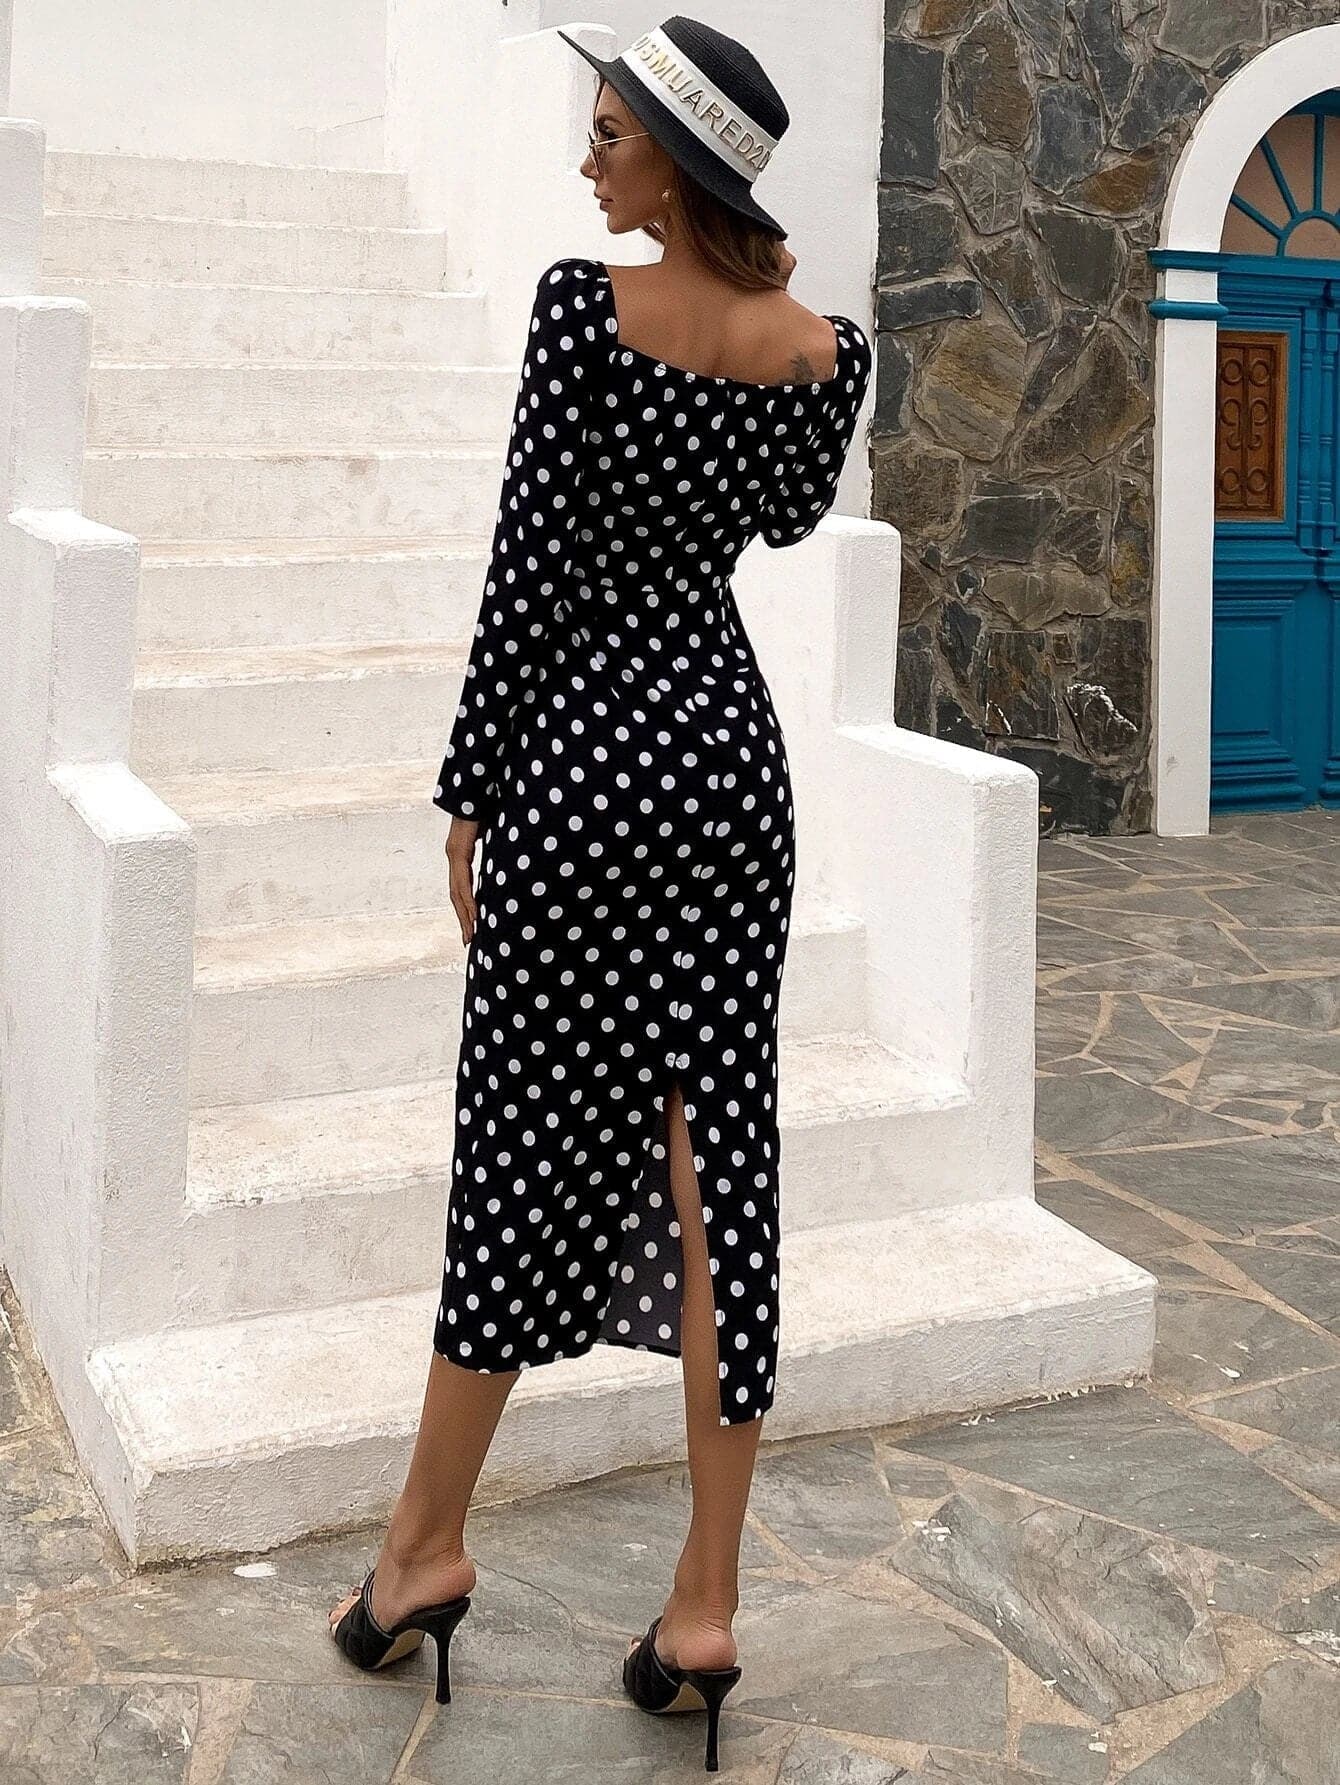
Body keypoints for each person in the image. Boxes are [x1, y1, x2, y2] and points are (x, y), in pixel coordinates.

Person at [329, 15, 872, 1771]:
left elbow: (530, 571)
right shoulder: (827, 355)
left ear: (678, 164)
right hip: (727, 769)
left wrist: (470, 788)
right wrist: (755, 321)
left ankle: (422, 1550)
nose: (588, 158)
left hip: (578, 765)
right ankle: (705, 1603)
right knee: (722, 1163)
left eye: (613, 131)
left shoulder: (585, 314)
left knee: (521, 1138)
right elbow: (780, 528)